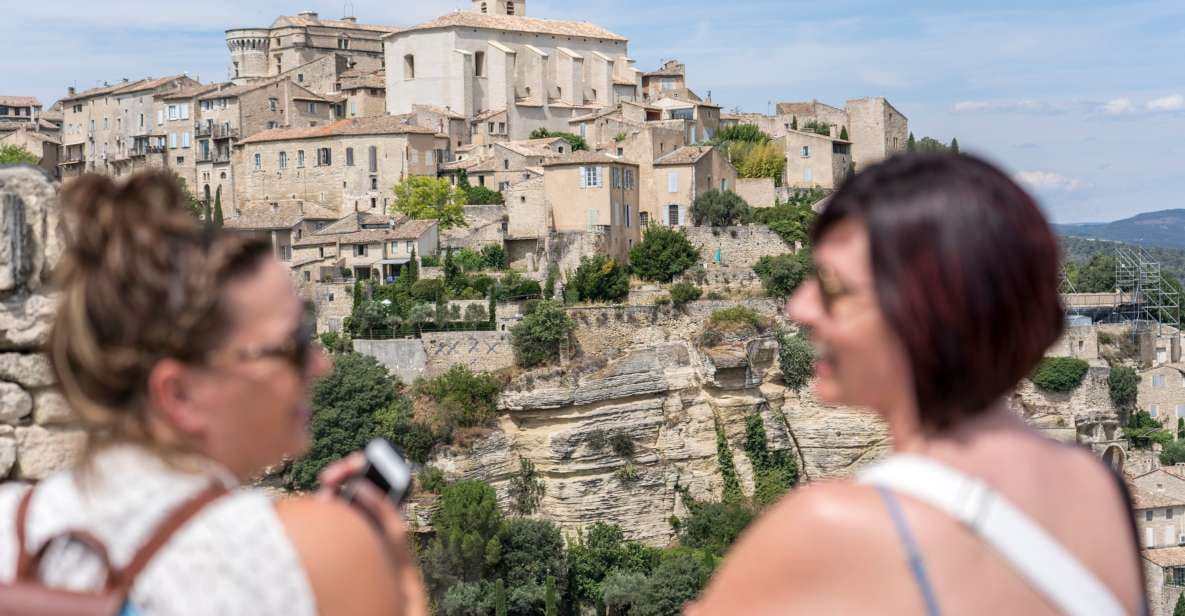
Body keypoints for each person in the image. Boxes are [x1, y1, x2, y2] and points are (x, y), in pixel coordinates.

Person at [688, 154, 1145, 615]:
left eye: (834, 287)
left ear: (925, 311)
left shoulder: (828, 528)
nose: (799, 308)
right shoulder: (1099, 489)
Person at [0, 172, 427, 615]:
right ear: (178, 393)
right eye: (292, 345)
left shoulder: (9, 526)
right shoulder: (319, 550)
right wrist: (394, 568)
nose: (321, 363)